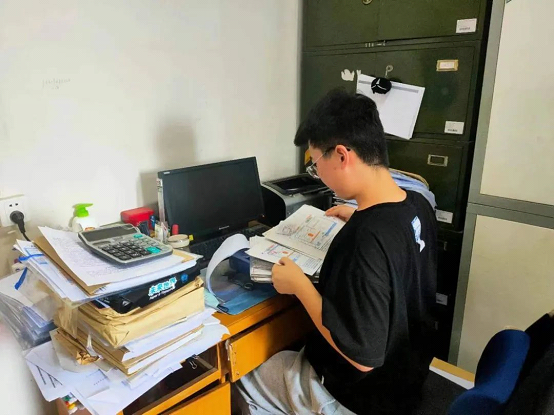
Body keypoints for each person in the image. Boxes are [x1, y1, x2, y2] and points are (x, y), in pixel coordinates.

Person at [235, 89, 438, 415]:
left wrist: (299, 286)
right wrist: (357, 216)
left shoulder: (364, 240)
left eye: (316, 164)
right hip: (407, 378)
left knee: (243, 379)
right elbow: (395, 247)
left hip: (361, 397)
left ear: (342, 156)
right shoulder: (417, 205)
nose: (318, 175)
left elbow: (362, 357)